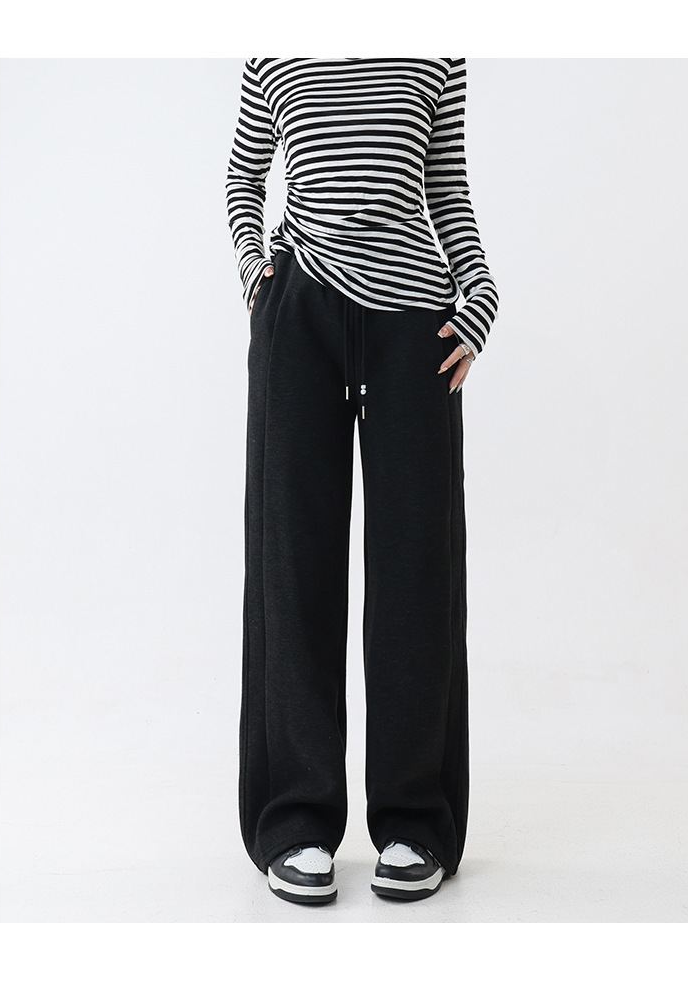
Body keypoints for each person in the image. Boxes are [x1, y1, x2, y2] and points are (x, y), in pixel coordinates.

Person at [225, 57, 498, 905]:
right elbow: (243, 175)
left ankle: (416, 818)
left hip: (415, 324)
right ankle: (296, 819)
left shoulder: (436, 50)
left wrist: (480, 292)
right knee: (292, 565)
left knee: (417, 571)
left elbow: (446, 188)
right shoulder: (275, 48)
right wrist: (254, 272)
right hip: (300, 314)